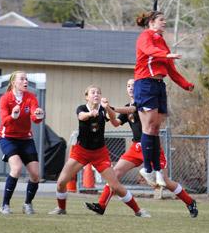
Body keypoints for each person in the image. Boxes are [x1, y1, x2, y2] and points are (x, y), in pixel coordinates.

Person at [85, 79, 198, 218]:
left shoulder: (144, 101)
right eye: (128, 85)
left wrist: (111, 108)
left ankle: (190, 202)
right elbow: (116, 123)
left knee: (165, 181)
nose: (131, 87)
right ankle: (101, 206)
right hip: (135, 147)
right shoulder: (127, 106)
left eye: (133, 85)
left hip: (150, 146)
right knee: (115, 174)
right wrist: (107, 108)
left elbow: (132, 109)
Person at [49, 85, 150, 217]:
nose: (96, 94)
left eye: (98, 93)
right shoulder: (82, 108)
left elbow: (113, 118)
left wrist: (107, 107)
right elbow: (81, 116)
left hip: (99, 153)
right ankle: (61, 208)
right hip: (81, 151)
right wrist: (91, 114)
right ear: (87, 97)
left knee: (115, 186)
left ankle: (138, 211)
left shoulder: (103, 109)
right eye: (93, 93)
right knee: (61, 182)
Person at [134, 10, 194, 187]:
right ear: (151, 22)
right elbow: (148, 50)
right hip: (145, 83)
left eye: (165, 20)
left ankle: (156, 169)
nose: (164, 23)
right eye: (161, 20)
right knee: (149, 125)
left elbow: (171, 69)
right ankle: (147, 168)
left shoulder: (162, 42)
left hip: (159, 85)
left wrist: (185, 84)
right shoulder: (146, 35)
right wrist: (165, 54)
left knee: (156, 128)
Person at [0, 71, 45, 215]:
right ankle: (5, 205)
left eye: (26, 79)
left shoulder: (31, 97)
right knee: (17, 169)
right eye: (22, 79)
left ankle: (27, 204)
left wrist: (39, 115)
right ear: (14, 82)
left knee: (36, 175)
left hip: (25, 139)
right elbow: (4, 121)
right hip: (8, 138)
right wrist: (13, 116)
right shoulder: (5, 98)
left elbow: (35, 118)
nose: (25, 81)